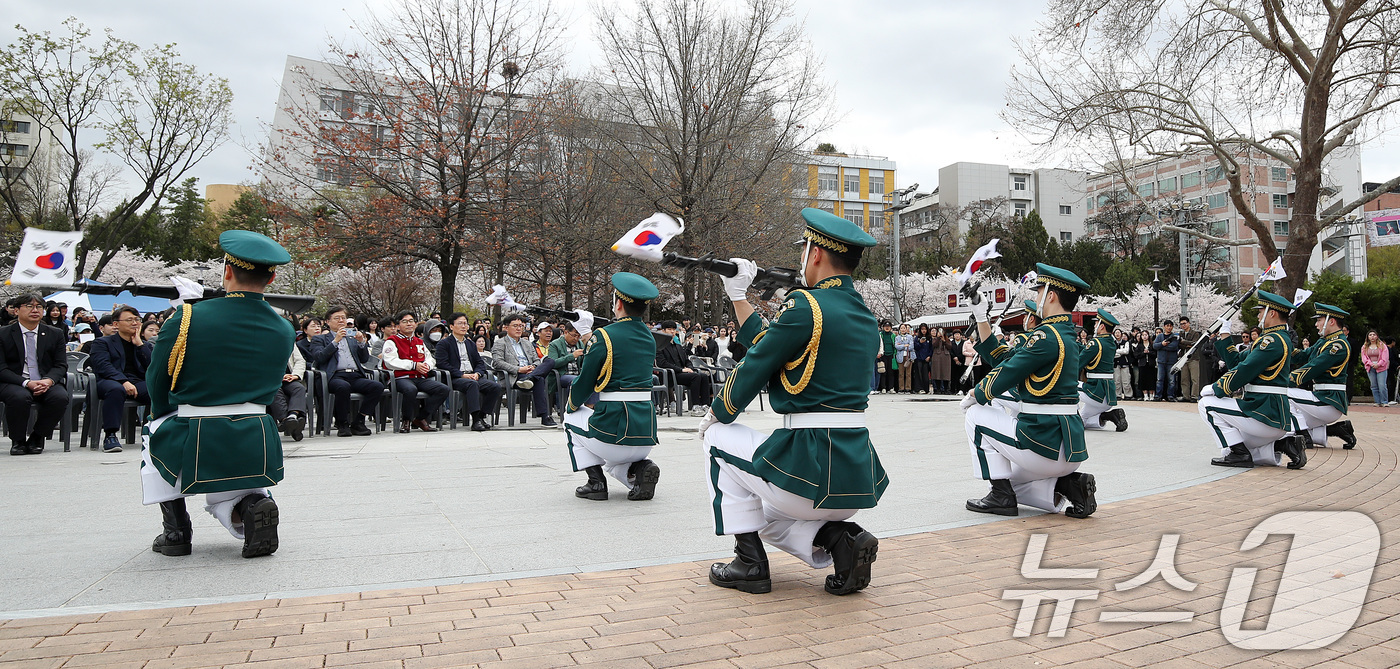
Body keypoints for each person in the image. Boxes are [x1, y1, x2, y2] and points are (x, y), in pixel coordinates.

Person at [701, 208, 886, 597]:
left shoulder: (806, 306)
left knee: (718, 442)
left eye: (803, 249)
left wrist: (718, 412)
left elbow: (758, 362)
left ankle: (749, 563)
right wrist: (739, 298)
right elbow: (779, 345)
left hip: (807, 467)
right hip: (853, 479)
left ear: (815, 253)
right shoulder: (863, 315)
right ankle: (840, 538)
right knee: (761, 511)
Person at [143, 231, 295, 559]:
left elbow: (157, 378)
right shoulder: (284, 327)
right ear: (272, 277)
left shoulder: (187, 317)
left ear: (227, 271)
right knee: (242, 482)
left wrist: (160, 413)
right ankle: (253, 506)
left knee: (152, 439)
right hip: (257, 432)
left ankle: (177, 531)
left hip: (194, 430)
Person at [960, 264, 1097, 519]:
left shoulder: (1046, 336)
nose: (1037, 299)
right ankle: (1069, 486)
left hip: (1042, 444)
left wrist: (977, 394)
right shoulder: (1066, 334)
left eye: (1039, 292)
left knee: (976, 417)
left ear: (1051, 296)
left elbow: (1007, 371)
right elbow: (1005, 358)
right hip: (1069, 449)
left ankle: (1000, 496)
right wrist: (981, 317)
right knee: (1014, 483)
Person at [564, 273, 661, 502]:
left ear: (618, 303)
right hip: (645, 434)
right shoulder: (649, 337)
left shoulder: (604, 335)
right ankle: (637, 472)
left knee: (570, 419)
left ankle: (595, 483)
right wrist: (591, 334)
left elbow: (586, 381)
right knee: (611, 452)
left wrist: (571, 404)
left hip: (614, 430)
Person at [1199, 290, 1307, 469]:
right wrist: (1225, 335)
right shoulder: (1275, 338)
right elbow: (1237, 362)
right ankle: (1283, 445)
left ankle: (1239, 455)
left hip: (1264, 412)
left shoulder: (1271, 341)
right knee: (1230, 448)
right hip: (1270, 414)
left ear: (1272, 313)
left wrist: (1218, 387)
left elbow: (1245, 369)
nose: (1258, 314)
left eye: (1261, 310)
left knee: (1206, 404)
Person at [0, 293, 70, 455]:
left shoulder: (55, 334)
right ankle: (17, 440)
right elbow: (1, 368)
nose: (35, 310)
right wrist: (26, 383)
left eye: (39, 307)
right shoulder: (4, 334)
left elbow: (60, 365)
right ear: (16, 310)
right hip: (15, 382)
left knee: (60, 397)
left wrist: (49, 380)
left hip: (44, 380)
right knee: (19, 397)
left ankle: (37, 437)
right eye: (29, 306)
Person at [307, 306, 385, 437]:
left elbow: (365, 359)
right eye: (337, 318)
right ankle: (342, 423)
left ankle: (359, 421)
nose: (341, 321)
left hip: (355, 375)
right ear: (327, 322)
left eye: (343, 318)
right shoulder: (320, 339)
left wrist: (361, 343)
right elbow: (319, 357)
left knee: (376, 386)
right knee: (343, 387)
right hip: (334, 376)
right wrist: (335, 341)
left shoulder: (351, 337)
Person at [1287, 304, 1356, 449]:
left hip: (1329, 400)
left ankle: (1304, 437)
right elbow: (1301, 356)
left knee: (1283, 394)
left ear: (1331, 321)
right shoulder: (1324, 341)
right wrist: (1284, 345)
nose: (1316, 324)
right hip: (1321, 397)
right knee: (1286, 426)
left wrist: (1282, 382)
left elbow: (1313, 368)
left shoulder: (1339, 345)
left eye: (1319, 320)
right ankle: (1339, 429)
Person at [89, 306, 153, 453]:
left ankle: (150, 432)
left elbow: (152, 367)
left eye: (137, 320)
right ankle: (110, 435)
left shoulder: (144, 344)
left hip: (136, 381)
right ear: (116, 324)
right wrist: (123, 381)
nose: (135, 323)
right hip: (109, 380)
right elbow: (103, 366)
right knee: (116, 390)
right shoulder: (102, 342)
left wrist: (140, 346)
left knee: (156, 390)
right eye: (129, 320)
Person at [381, 311, 450, 432]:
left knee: (443, 389)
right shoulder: (392, 341)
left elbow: (430, 358)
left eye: (411, 321)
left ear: (416, 324)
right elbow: (390, 361)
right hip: (400, 378)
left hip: (419, 378)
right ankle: (406, 420)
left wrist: (426, 366)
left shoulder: (419, 341)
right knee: (410, 390)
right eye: (404, 321)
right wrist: (413, 365)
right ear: (398, 326)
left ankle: (420, 418)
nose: (409, 324)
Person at [436, 312, 501, 431]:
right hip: (455, 378)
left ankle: (481, 416)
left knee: (495, 387)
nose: (463, 326)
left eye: (465, 324)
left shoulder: (470, 343)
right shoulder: (444, 344)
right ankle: (475, 420)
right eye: (460, 323)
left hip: (472, 375)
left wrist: (477, 373)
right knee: (472, 384)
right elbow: (442, 364)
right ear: (451, 326)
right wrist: (462, 375)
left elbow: (479, 362)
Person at [491, 313, 558, 426]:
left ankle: (531, 377)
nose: (519, 328)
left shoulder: (527, 343)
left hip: (530, 373)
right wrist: (519, 369)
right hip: (514, 376)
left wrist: (534, 368)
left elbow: (536, 360)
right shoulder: (500, 343)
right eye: (515, 326)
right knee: (539, 379)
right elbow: (497, 362)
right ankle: (544, 416)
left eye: (521, 326)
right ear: (506, 327)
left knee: (550, 361)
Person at [1079, 310, 1127, 432]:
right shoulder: (1110, 342)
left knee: (1064, 384)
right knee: (1082, 420)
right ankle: (1110, 415)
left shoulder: (1095, 343)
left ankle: (1069, 416)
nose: (1094, 326)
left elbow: (1078, 363)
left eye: (1096, 324)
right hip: (1108, 395)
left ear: (1101, 326)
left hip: (1095, 392)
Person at [655, 320, 713, 417]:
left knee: (703, 376)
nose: (672, 331)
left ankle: (705, 405)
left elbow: (687, 360)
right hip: (669, 375)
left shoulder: (678, 346)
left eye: (674, 329)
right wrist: (681, 370)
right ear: (664, 331)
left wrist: (689, 367)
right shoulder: (660, 347)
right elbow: (662, 363)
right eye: (669, 329)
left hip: (681, 374)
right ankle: (695, 406)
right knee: (695, 377)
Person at [546, 320, 588, 415]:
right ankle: (571, 409)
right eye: (574, 335)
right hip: (562, 375)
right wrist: (572, 356)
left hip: (578, 373)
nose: (576, 338)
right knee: (575, 380)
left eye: (578, 336)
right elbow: (553, 363)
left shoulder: (580, 344)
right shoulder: (555, 344)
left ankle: (590, 407)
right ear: (565, 332)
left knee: (592, 379)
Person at [1360, 330, 1390, 407]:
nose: (1372, 336)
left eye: (1374, 335)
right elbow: (1364, 358)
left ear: (1377, 336)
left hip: (1381, 368)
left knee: (1382, 385)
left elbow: (1385, 357)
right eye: (1370, 335)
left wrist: (1379, 364)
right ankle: (1377, 401)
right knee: (1373, 385)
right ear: (1368, 337)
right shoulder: (1364, 347)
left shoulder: (1382, 346)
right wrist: (1371, 364)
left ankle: (1384, 401)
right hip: (1370, 367)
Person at [1152, 319, 1180, 401]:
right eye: (1167, 326)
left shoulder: (1174, 336)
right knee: (1159, 379)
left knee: (1172, 380)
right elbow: (1155, 346)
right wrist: (1161, 344)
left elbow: (1174, 347)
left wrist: (1162, 346)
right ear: (1164, 327)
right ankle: (1158, 395)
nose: (1169, 328)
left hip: (1171, 361)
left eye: (1170, 326)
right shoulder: (1160, 336)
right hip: (1161, 361)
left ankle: (1170, 395)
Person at [1136, 330, 1156, 400]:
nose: (1144, 336)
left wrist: (1149, 352)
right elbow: (1136, 355)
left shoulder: (1152, 344)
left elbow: (1155, 354)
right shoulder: (1139, 345)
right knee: (1143, 379)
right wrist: (1143, 353)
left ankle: (1151, 394)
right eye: (1143, 335)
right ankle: (1145, 395)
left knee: (1151, 379)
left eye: (1146, 335)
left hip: (1151, 364)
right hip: (1142, 364)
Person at [912, 324, 932, 394]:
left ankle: (926, 389)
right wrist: (920, 343)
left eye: (925, 329)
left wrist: (929, 356)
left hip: (926, 358)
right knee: (918, 374)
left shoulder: (929, 338)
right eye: (922, 329)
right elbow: (915, 347)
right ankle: (919, 388)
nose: (924, 331)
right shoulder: (917, 338)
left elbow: (931, 348)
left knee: (925, 374)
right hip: (918, 358)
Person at [877, 321, 897, 392]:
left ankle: (891, 387)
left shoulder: (893, 335)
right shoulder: (880, 334)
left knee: (891, 372)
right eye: (885, 326)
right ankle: (883, 387)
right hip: (883, 355)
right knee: (883, 371)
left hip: (891, 355)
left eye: (888, 326)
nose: (887, 328)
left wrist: (895, 354)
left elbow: (895, 345)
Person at [894, 324, 914, 393]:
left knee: (908, 373)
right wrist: (905, 345)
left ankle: (908, 388)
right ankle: (901, 388)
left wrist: (902, 346)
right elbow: (896, 346)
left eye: (904, 328)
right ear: (899, 329)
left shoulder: (910, 337)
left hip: (908, 356)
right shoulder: (897, 337)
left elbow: (911, 347)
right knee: (901, 373)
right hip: (900, 356)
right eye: (901, 328)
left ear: (906, 329)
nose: (903, 329)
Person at [931, 328, 951, 393]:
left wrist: (944, 341)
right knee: (937, 373)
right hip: (937, 356)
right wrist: (938, 338)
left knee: (945, 373)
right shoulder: (934, 339)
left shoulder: (947, 339)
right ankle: (938, 389)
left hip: (946, 357)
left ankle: (946, 389)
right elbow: (934, 345)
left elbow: (950, 347)